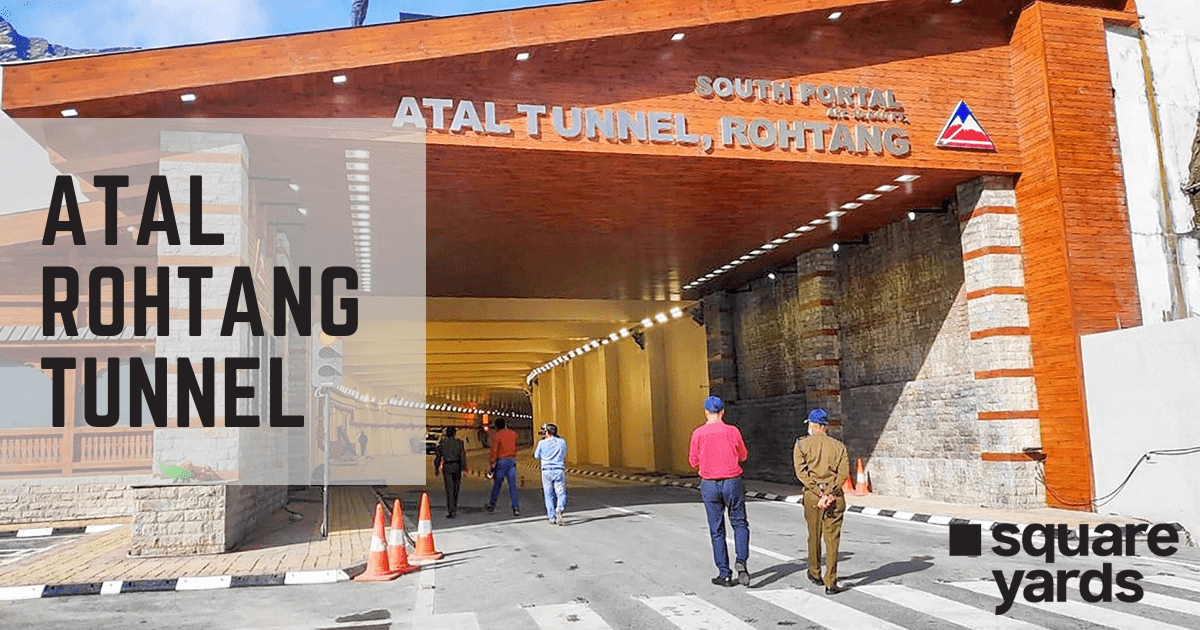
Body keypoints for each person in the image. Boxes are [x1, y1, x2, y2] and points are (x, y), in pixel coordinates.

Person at [688, 396, 750, 588]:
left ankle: (724, 574)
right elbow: (743, 455)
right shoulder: (733, 431)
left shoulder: (698, 433)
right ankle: (741, 560)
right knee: (739, 523)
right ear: (722, 412)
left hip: (709, 484)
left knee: (717, 530)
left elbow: (693, 461)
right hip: (732, 481)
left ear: (706, 412)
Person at [793, 408, 850, 595]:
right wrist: (829, 492)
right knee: (832, 539)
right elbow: (843, 474)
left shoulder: (801, 445)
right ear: (826, 426)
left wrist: (819, 492)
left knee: (814, 534)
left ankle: (815, 571)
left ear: (812, 425)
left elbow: (801, 473)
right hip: (834, 496)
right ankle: (831, 581)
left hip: (813, 495)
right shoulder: (839, 447)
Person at [532, 423, 567, 525]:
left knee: (548, 494)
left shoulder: (542, 443)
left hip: (546, 471)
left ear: (548, 432)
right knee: (561, 493)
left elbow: (536, 456)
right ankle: (560, 508)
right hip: (559, 470)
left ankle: (552, 517)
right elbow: (564, 454)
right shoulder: (562, 442)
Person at [485, 417, 520, 516]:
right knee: (512, 486)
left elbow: (494, 451)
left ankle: (492, 504)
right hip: (511, 461)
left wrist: (492, 464)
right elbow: (515, 447)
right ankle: (516, 508)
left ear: (496, 427)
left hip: (501, 462)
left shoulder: (496, 436)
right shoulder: (513, 434)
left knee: (497, 484)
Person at [434, 427, 466, 518]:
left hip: (447, 466)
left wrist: (436, 467)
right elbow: (462, 456)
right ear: (454, 434)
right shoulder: (459, 443)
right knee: (456, 488)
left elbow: (438, 456)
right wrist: (464, 467)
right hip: (457, 466)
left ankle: (451, 510)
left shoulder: (442, 443)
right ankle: (454, 507)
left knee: (449, 489)